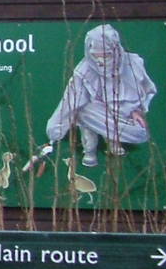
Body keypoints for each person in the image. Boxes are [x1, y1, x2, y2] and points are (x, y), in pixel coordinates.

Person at [27, 24, 157, 169]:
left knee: (141, 133)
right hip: (93, 113)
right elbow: (68, 103)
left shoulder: (133, 63)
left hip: (123, 116)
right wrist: (54, 133)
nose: (101, 61)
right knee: (79, 109)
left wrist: (138, 109)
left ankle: (114, 140)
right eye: (96, 56)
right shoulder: (84, 72)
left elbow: (148, 89)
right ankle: (89, 151)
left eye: (106, 55)